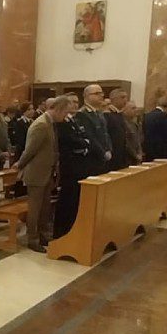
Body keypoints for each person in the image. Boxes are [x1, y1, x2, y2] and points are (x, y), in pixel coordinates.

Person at [17, 96, 71, 252]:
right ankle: (32, 239)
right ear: (58, 109)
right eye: (65, 113)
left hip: (47, 173)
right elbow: (30, 150)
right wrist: (19, 166)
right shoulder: (40, 125)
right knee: (35, 209)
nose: (65, 116)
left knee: (45, 208)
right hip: (37, 174)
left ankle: (43, 235)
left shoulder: (50, 123)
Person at [54, 95, 93, 238]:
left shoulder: (72, 120)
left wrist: (84, 143)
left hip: (78, 165)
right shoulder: (61, 122)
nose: (75, 105)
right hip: (69, 165)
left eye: (77, 102)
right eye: (72, 103)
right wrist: (84, 143)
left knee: (75, 198)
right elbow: (69, 140)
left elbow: (82, 136)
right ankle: (61, 232)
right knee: (67, 198)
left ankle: (72, 227)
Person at [77, 84, 113, 175]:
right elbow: (90, 137)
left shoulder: (98, 113)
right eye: (97, 93)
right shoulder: (83, 114)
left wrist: (109, 149)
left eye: (101, 93)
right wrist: (103, 153)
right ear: (86, 96)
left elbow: (106, 133)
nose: (101, 96)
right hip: (92, 158)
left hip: (104, 157)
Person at [104, 88, 129, 171]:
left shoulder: (119, 114)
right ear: (114, 99)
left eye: (126, 97)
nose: (125, 100)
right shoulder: (107, 114)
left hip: (122, 154)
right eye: (122, 97)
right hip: (113, 154)